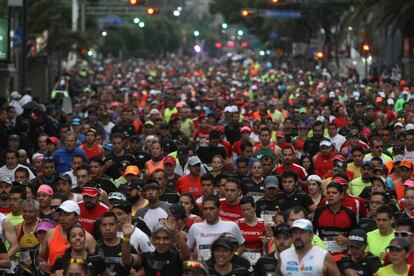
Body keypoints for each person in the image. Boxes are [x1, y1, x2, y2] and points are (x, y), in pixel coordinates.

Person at [38, 200, 97, 273]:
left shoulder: (87, 238)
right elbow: (41, 257)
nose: (62, 218)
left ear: (77, 217)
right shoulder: (51, 233)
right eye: (60, 215)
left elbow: (97, 265)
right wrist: (42, 265)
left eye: (67, 214)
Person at [187, 194, 245, 261]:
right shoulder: (195, 227)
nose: (208, 212)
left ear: (219, 209)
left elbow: (242, 246)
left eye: (211, 208)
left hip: (224, 269)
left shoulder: (231, 226)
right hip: (205, 269)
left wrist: (233, 257)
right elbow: (189, 249)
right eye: (205, 209)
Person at [276, 219, 340, 276]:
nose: (298, 236)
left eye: (302, 232)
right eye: (295, 232)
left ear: (311, 235)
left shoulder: (324, 256)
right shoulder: (284, 256)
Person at [313, 182, 357, 258]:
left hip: (344, 256)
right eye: (328, 193)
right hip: (322, 255)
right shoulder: (319, 211)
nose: (330, 195)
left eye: (334, 193)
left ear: (341, 195)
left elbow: (356, 237)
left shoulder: (350, 213)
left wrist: (347, 240)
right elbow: (312, 233)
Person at [237, 196, 273, 265]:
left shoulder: (264, 224)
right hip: (242, 261)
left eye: (248, 209)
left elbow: (271, 248)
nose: (246, 212)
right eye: (243, 210)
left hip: (259, 261)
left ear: (254, 207)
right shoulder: (237, 224)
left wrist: (266, 243)